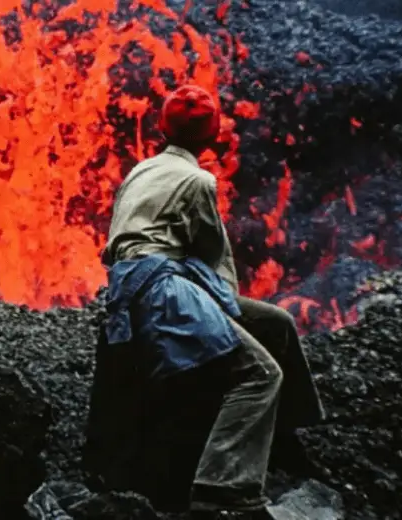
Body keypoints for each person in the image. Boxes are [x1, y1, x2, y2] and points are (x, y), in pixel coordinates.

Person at [100, 85, 325, 520]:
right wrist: (225, 306)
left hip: (137, 285)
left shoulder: (142, 170)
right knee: (260, 374)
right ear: (213, 136)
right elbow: (212, 253)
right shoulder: (198, 180)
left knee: (276, 322)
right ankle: (222, 489)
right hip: (166, 291)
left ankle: (282, 438)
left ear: (162, 127)